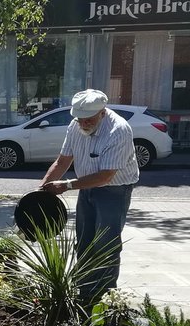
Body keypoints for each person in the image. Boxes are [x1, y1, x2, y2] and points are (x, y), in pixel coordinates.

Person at [39, 89, 140, 302]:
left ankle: (104, 297)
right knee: (84, 240)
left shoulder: (119, 130)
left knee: (105, 243)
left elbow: (105, 176)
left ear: (102, 112)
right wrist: (41, 191)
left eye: (89, 120)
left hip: (114, 191)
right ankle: (84, 292)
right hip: (85, 187)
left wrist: (66, 185)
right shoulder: (75, 126)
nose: (83, 124)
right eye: (80, 120)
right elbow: (62, 161)